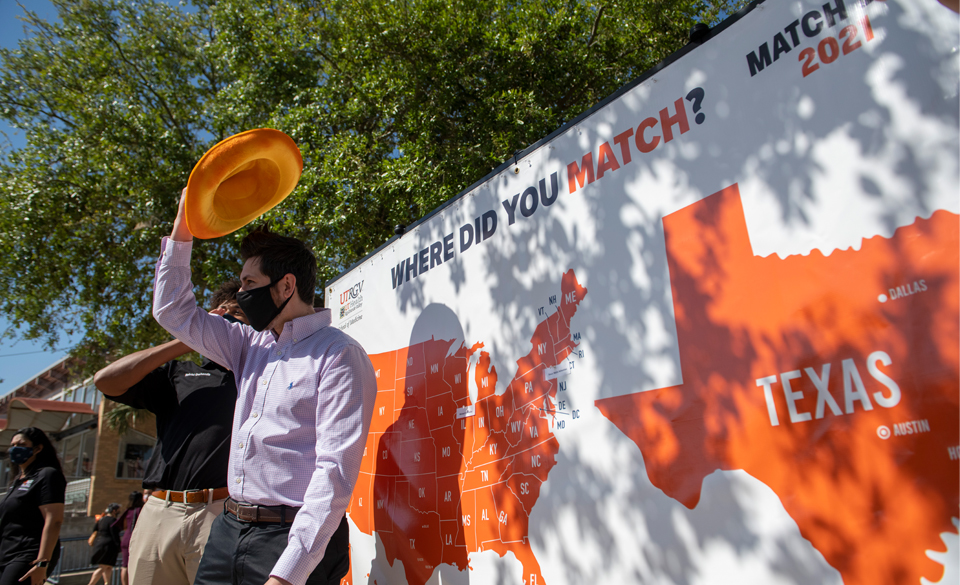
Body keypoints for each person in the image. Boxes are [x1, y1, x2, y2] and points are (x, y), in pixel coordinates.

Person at [151, 190, 377, 585]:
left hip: (290, 539)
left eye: (249, 283)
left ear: (286, 286)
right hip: (228, 530)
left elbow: (335, 473)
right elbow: (172, 310)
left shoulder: (339, 354)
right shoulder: (247, 344)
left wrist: (288, 574)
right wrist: (183, 225)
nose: (240, 294)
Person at [93, 279, 249, 585]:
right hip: (159, 514)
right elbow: (105, 381)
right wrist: (189, 336)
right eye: (239, 318)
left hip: (222, 514)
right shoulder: (178, 373)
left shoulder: (260, 375)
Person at [0, 427, 66, 585]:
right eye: (13, 445)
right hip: (7, 552)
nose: (14, 449)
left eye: (21, 444)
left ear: (38, 448)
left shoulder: (47, 475)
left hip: (28, 555)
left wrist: (42, 563)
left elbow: (54, 520)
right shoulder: (18, 481)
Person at [112, 491, 145, 585]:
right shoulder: (142, 510)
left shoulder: (128, 511)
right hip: (138, 539)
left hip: (126, 538)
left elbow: (123, 525)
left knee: (125, 565)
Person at [88, 503, 121, 585]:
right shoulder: (113, 521)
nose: (119, 512)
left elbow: (94, 529)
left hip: (99, 544)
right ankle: (91, 584)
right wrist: (119, 546)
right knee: (102, 567)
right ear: (114, 511)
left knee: (108, 566)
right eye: (118, 510)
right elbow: (115, 535)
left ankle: (107, 583)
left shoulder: (101, 519)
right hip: (108, 546)